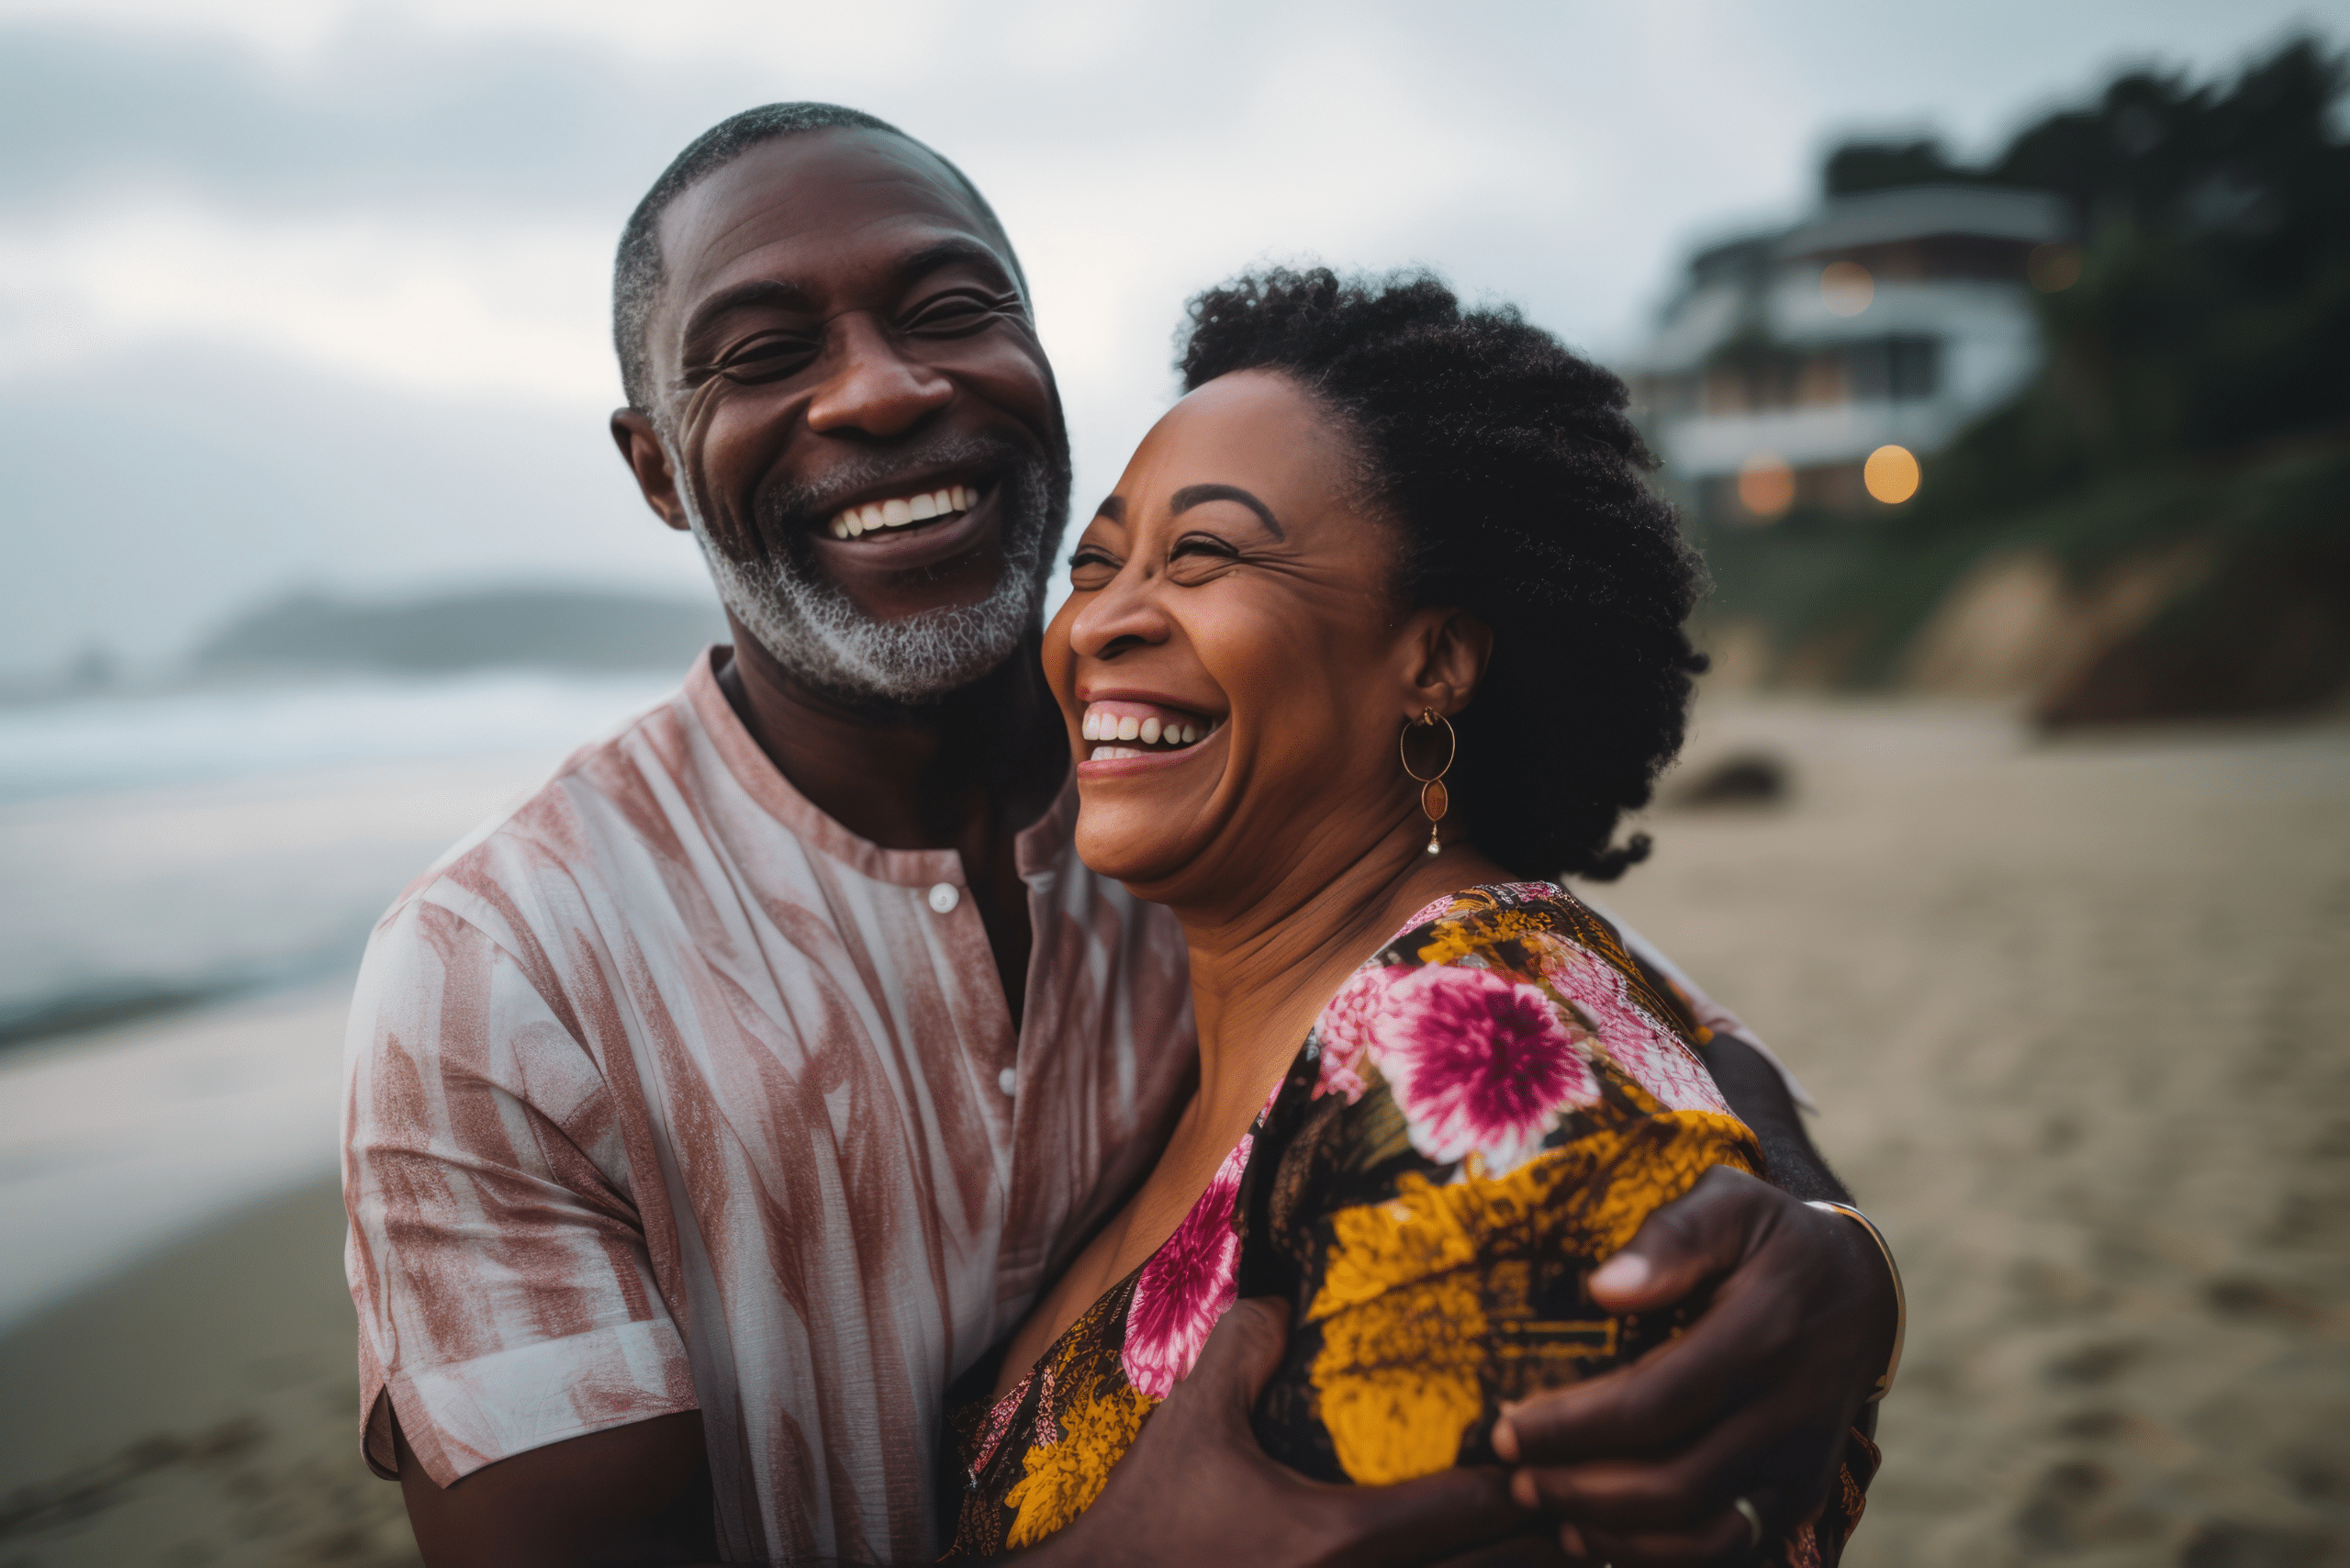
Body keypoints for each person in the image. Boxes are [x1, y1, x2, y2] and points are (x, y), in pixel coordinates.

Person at [341, 103, 1898, 1566]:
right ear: (654, 470)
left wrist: (1834, 1259)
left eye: (954, 308)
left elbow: (1600, 1021)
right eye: (760, 351)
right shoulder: (501, 976)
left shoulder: (1241, 811)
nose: (884, 388)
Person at [937, 269, 1888, 1565]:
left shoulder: (1472, 1077)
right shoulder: (1242, 985)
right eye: (1093, 567)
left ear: (1432, 660)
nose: (1105, 620)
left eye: (1203, 555)